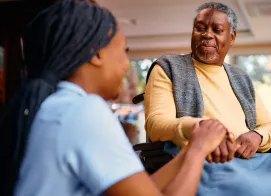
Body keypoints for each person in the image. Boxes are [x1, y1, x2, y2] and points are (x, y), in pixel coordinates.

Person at [0, 0, 236, 195]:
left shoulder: (57, 106)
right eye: (123, 51)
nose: (126, 66)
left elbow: (143, 189)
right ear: (97, 54)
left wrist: (191, 149)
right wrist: (197, 149)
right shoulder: (84, 111)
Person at [144, 2, 271, 196]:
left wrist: (258, 136)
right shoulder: (168, 67)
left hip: (256, 160)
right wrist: (202, 130)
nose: (207, 35)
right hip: (207, 160)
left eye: (217, 30)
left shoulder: (241, 78)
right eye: (200, 28)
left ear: (232, 37)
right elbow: (156, 124)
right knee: (253, 192)